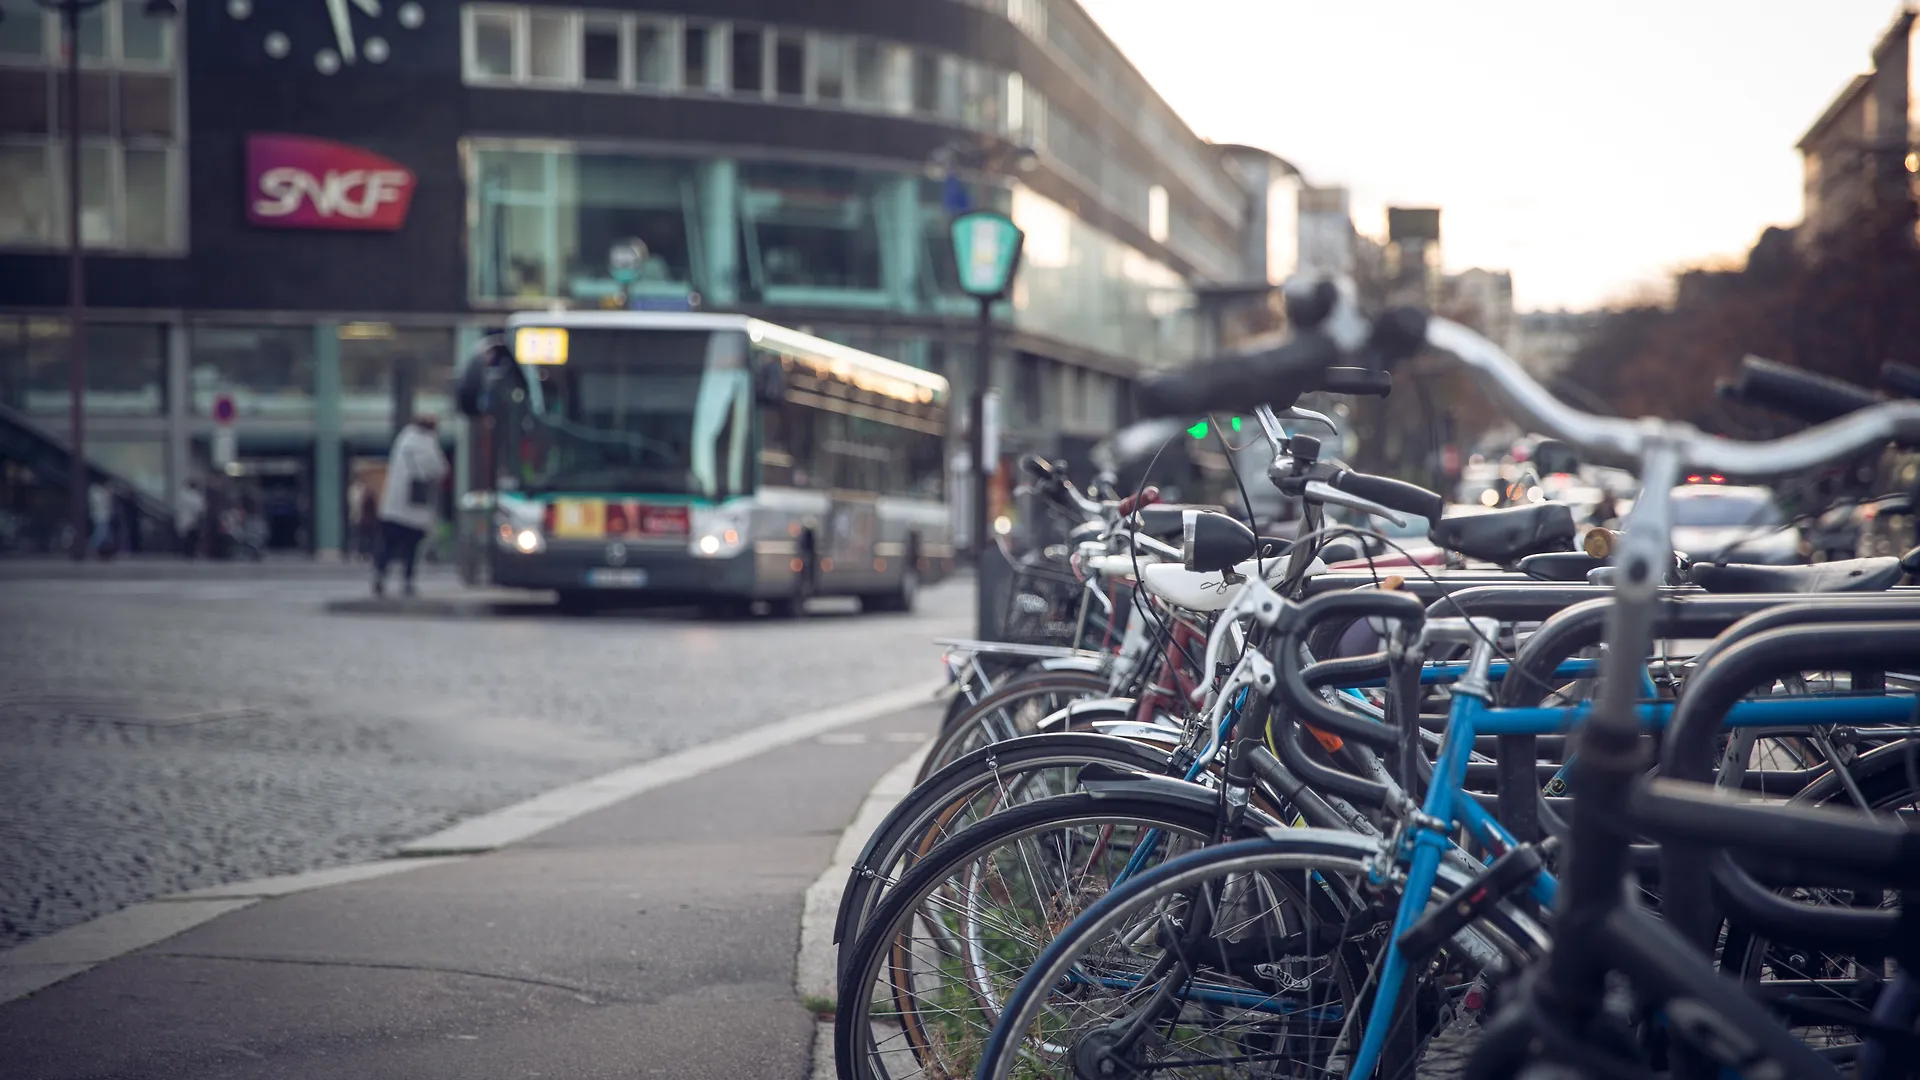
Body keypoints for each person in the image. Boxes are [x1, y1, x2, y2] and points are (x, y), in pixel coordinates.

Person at [374, 414, 450, 597]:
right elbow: (440, 469)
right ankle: (407, 582)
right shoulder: (427, 443)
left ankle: (380, 576)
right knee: (411, 549)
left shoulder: (403, 440)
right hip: (415, 507)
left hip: (393, 506)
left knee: (388, 544)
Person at [175, 480, 205, 558]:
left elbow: (178, 507)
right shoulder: (196, 497)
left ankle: (184, 552)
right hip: (193, 519)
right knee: (192, 537)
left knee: (184, 537)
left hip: (183, 518)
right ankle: (191, 552)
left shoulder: (183, 495)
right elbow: (200, 509)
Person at [87, 480, 114, 559]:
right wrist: (108, 494)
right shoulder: (96, 491)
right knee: (100, 534)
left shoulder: (98, 491)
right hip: (100, 516)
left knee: (106, 535)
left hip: (103, 515)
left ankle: (105, 553)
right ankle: (91, 549)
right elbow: (101, 502)